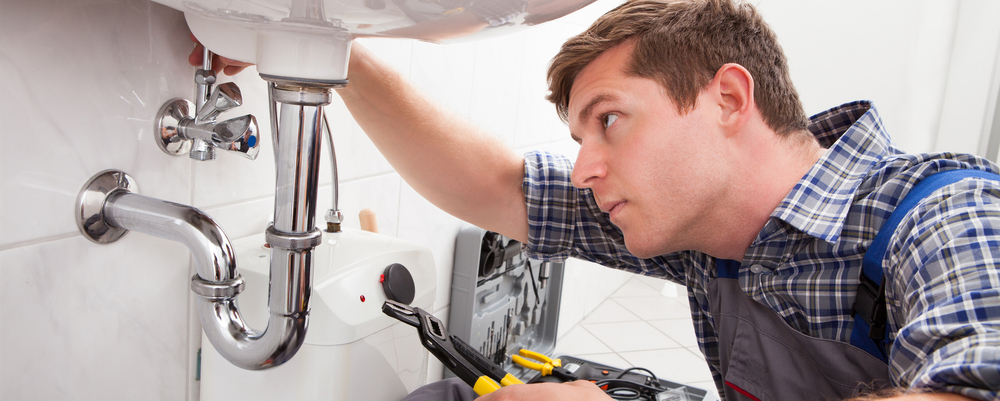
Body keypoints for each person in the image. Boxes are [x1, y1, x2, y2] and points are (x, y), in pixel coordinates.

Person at [192, 0, 1000, 400]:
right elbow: (502, 185)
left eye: (609, 122)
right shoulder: (704, 233)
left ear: (727, 98)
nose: (585, 168)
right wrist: (315, 46)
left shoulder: (948, 215)